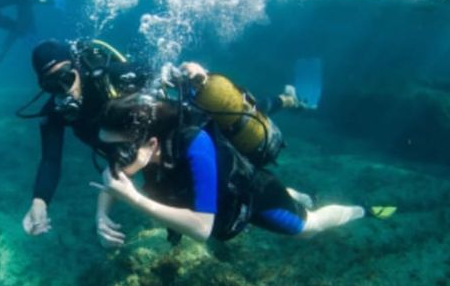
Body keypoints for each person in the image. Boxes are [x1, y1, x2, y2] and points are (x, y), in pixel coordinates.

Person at [93, 93, 395, 248]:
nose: (114, 159)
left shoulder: (195, 145)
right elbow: (113, 180)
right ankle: (295, 194)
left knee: (308, 229)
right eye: (108, 150)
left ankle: (362, 210)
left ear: (151, 143)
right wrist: (101, 216)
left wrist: (134, 199)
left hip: (252, 196)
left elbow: (201, 229)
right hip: (220, 194)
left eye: (118, 150)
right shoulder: (143, 148)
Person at [18, 39, 152, 236]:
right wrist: (40, 201)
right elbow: (50, 160)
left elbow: (153, 72)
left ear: (77, 68)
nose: (63, 89)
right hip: (124, 160)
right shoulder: (54, 111)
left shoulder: (109, 76)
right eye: (51, 85)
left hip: (152, 143)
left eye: (66, 77)